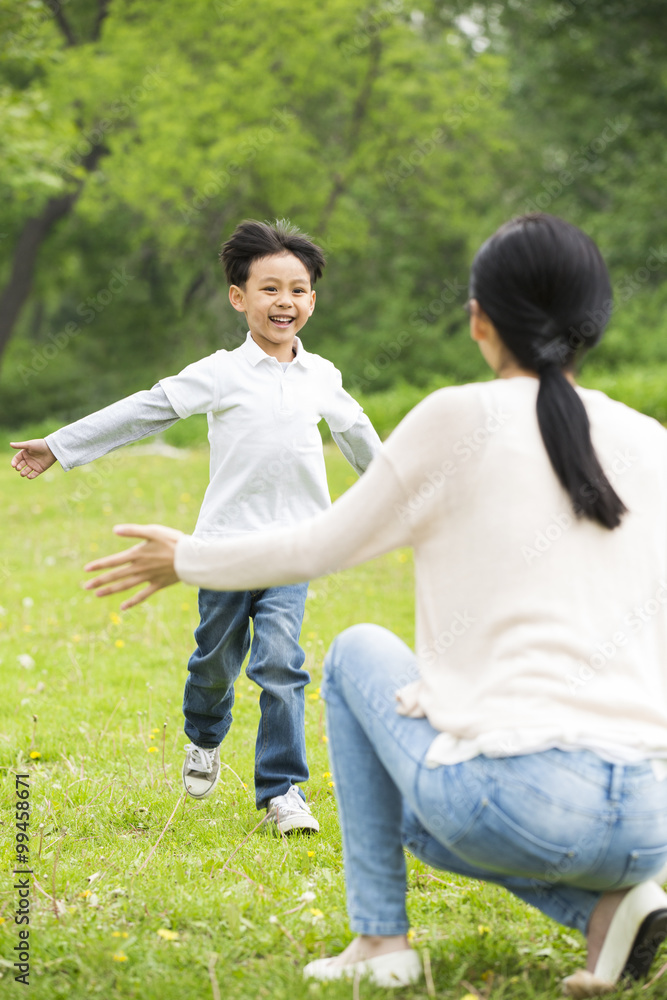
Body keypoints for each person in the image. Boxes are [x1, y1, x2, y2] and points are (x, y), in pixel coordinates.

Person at [83, 214, 667, 997]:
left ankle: (380, 940)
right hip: (651, 818)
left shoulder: (455, 418)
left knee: (360, 655)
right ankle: (618, 909)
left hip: (520, 806)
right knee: (434, 784)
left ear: (478, 320)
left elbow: (315, 546)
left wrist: (184, 557)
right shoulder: (649, 439)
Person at [10, 219, 382, 834]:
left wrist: (413, 497)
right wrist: (59, 445)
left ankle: (282, 792)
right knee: (214, 663)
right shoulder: (220, 372)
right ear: (239, 298)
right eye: (269, 289)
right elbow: (145, 410)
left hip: (294, 549)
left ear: (312, 299)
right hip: (223, 549)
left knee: (282, 664)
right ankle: (204, 736)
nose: (284, 302)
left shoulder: (324, 377)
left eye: (297, 289)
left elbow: (363, 440)